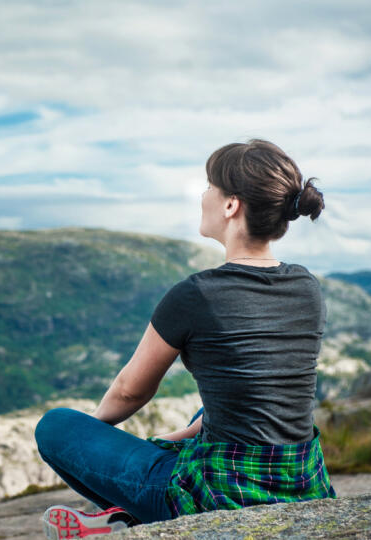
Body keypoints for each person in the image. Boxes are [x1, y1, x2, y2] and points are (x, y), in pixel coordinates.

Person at [35, 139, 336, 539]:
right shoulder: (306, 286)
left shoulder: (196, 295)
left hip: (219, 495)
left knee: (56, 427)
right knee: (210, 412)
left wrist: (93, 438)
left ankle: (136, 515)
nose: (203, 195)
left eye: (210, 186)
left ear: (231, 205)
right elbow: (259, 396)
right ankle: (126, 517)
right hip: (299, 480)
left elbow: (129, 392)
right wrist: (162, 443)